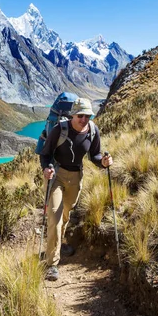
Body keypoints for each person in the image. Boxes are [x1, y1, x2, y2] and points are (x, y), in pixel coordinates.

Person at [39, 97, 113, 281]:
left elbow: (94, 155)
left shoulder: (93, 131)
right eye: (80, 115)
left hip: (76, 177)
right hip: (56, 175)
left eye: (87, 116)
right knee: (54, 217)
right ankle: (52, 264)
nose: (83, 119)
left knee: (66, 213)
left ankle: (56, 244)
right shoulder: (60, 129)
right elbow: (45, 154)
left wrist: (103, 163)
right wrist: (46, 167)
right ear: (73, 115)